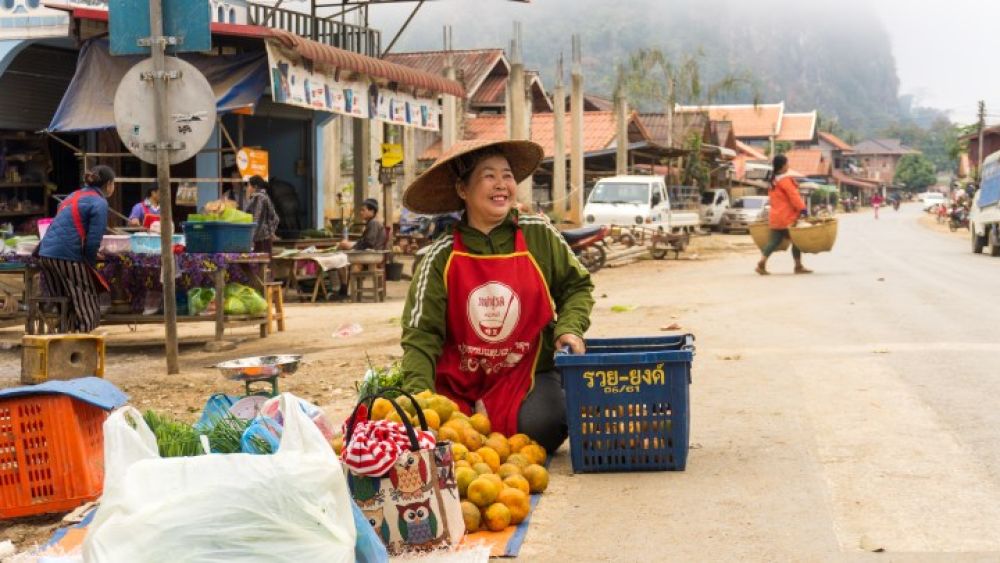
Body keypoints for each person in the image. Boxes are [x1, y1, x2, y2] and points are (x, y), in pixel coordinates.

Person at [398, 139, 594, 453]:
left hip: (525, 374)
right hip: (459, 381)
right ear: (463, 189)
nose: (501, 184)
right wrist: (421, 402)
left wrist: (569, 327)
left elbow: (577, 286)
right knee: (443, 439)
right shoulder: (440, 256)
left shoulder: (538, 235)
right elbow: (421, 334)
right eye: (489, 176)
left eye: (507, 175)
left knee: (546, 424)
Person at [36, 165, 115, 333]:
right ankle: (85, 337)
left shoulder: (73, 195)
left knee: (65, 298)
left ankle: (65, 335)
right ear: (108, 184)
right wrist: (90, 262)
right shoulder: (99, 203)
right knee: (86, 296)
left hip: (46, 253)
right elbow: (94, 238)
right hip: (67, 255)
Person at [756, 154, 812, 276]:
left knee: (774, 241)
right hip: (787, 218)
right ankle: (798, 266)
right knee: (797, 241)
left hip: (776, 217)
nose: (788, 165)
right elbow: (794, 197)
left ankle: (762, 262)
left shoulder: (773, 182)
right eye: (787, 163)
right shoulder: (785, 181)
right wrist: (803, 209)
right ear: (782, 167)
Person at [335, 198, 386, 301]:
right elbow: (365, 241)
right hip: (370, 255)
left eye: (363, 210)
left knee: (340, 259)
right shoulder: (371, 223)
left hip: (372, 256)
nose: (361, 212)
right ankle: (345, 288)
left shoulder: (374, 223)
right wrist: (352, 244)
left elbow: (369, 242)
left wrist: (352, 246)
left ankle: (344, 288)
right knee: (342, 254)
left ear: (371, 211)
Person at [242, 175, 279, 255]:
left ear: (255, 187)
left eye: (248, 185)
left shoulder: (259, 198)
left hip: (260, 239)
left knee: (261, 264)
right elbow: (275, 218)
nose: (247, 188)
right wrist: (271, 232)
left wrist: (251, 238)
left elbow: (256, 218)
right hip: (263, 238)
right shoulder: (262, 197)